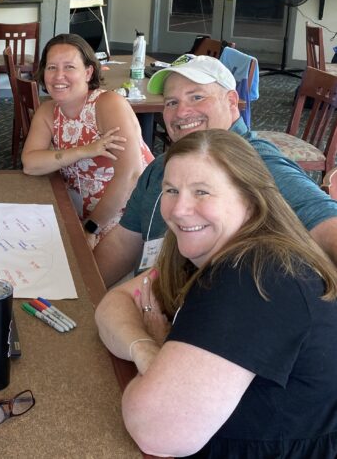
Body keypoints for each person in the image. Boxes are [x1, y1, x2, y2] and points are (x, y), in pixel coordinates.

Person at [97, 129, 337, 457]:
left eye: (202, 192)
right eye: (171, 190)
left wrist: (161, 359)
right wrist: (148, 351)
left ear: (250, 201)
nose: (180, 209)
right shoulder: (201, 250)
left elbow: (158, 431)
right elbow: (116, 302)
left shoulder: (256, 274)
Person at [94, 54, 337, 288]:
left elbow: (327, 225)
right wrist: (82, 291)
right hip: (147, 296)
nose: (181, 112)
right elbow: (123, 243)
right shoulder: (164, 165)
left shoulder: (255, 162)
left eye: (197, 97)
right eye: (172, 102)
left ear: (231, 101)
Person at [21, 34, 153, 248]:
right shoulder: (48, 111)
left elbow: (130, 176)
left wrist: (91, 227)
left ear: (88, 72)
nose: (58, 76)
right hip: (77, 213)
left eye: (69, 67)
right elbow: (30, 164)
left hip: (127, 218)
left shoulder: (108, 104)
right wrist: (84, 151)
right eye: (52, 67)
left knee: (83, 277)